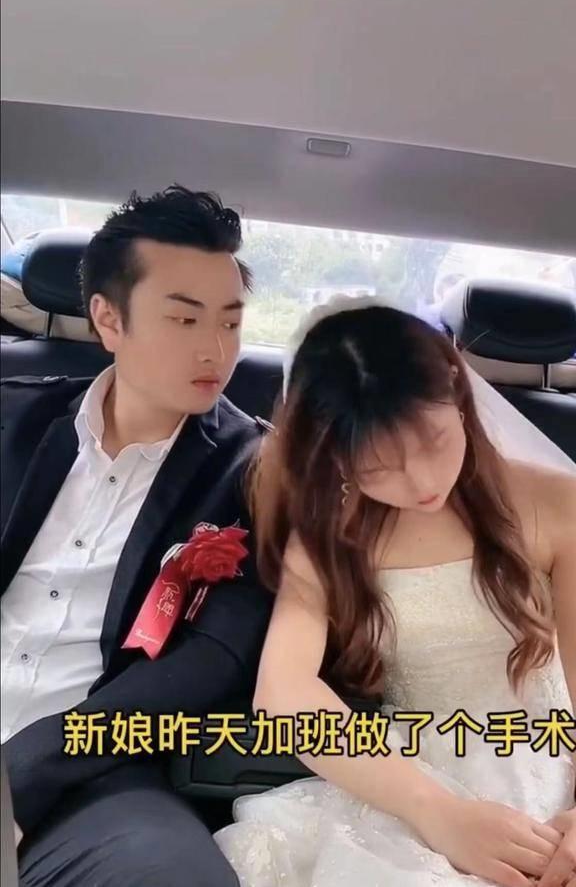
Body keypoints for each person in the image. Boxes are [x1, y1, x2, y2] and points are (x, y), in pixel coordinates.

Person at [214, 295, 576, 887]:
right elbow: (282, 695)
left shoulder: (556, 502)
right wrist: (438, 812)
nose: (422, 481)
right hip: (413, 774)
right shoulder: (329, 536)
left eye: (434, 441)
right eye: (378, 467)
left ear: (457, 390)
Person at [1, 185, 273, 886]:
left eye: (231, 322)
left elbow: (213, 659)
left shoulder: (260, 473)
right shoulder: (13, 418)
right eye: (184, 319)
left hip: (93, 774)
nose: (216, 349)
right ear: (108, 319)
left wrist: (25, 770)